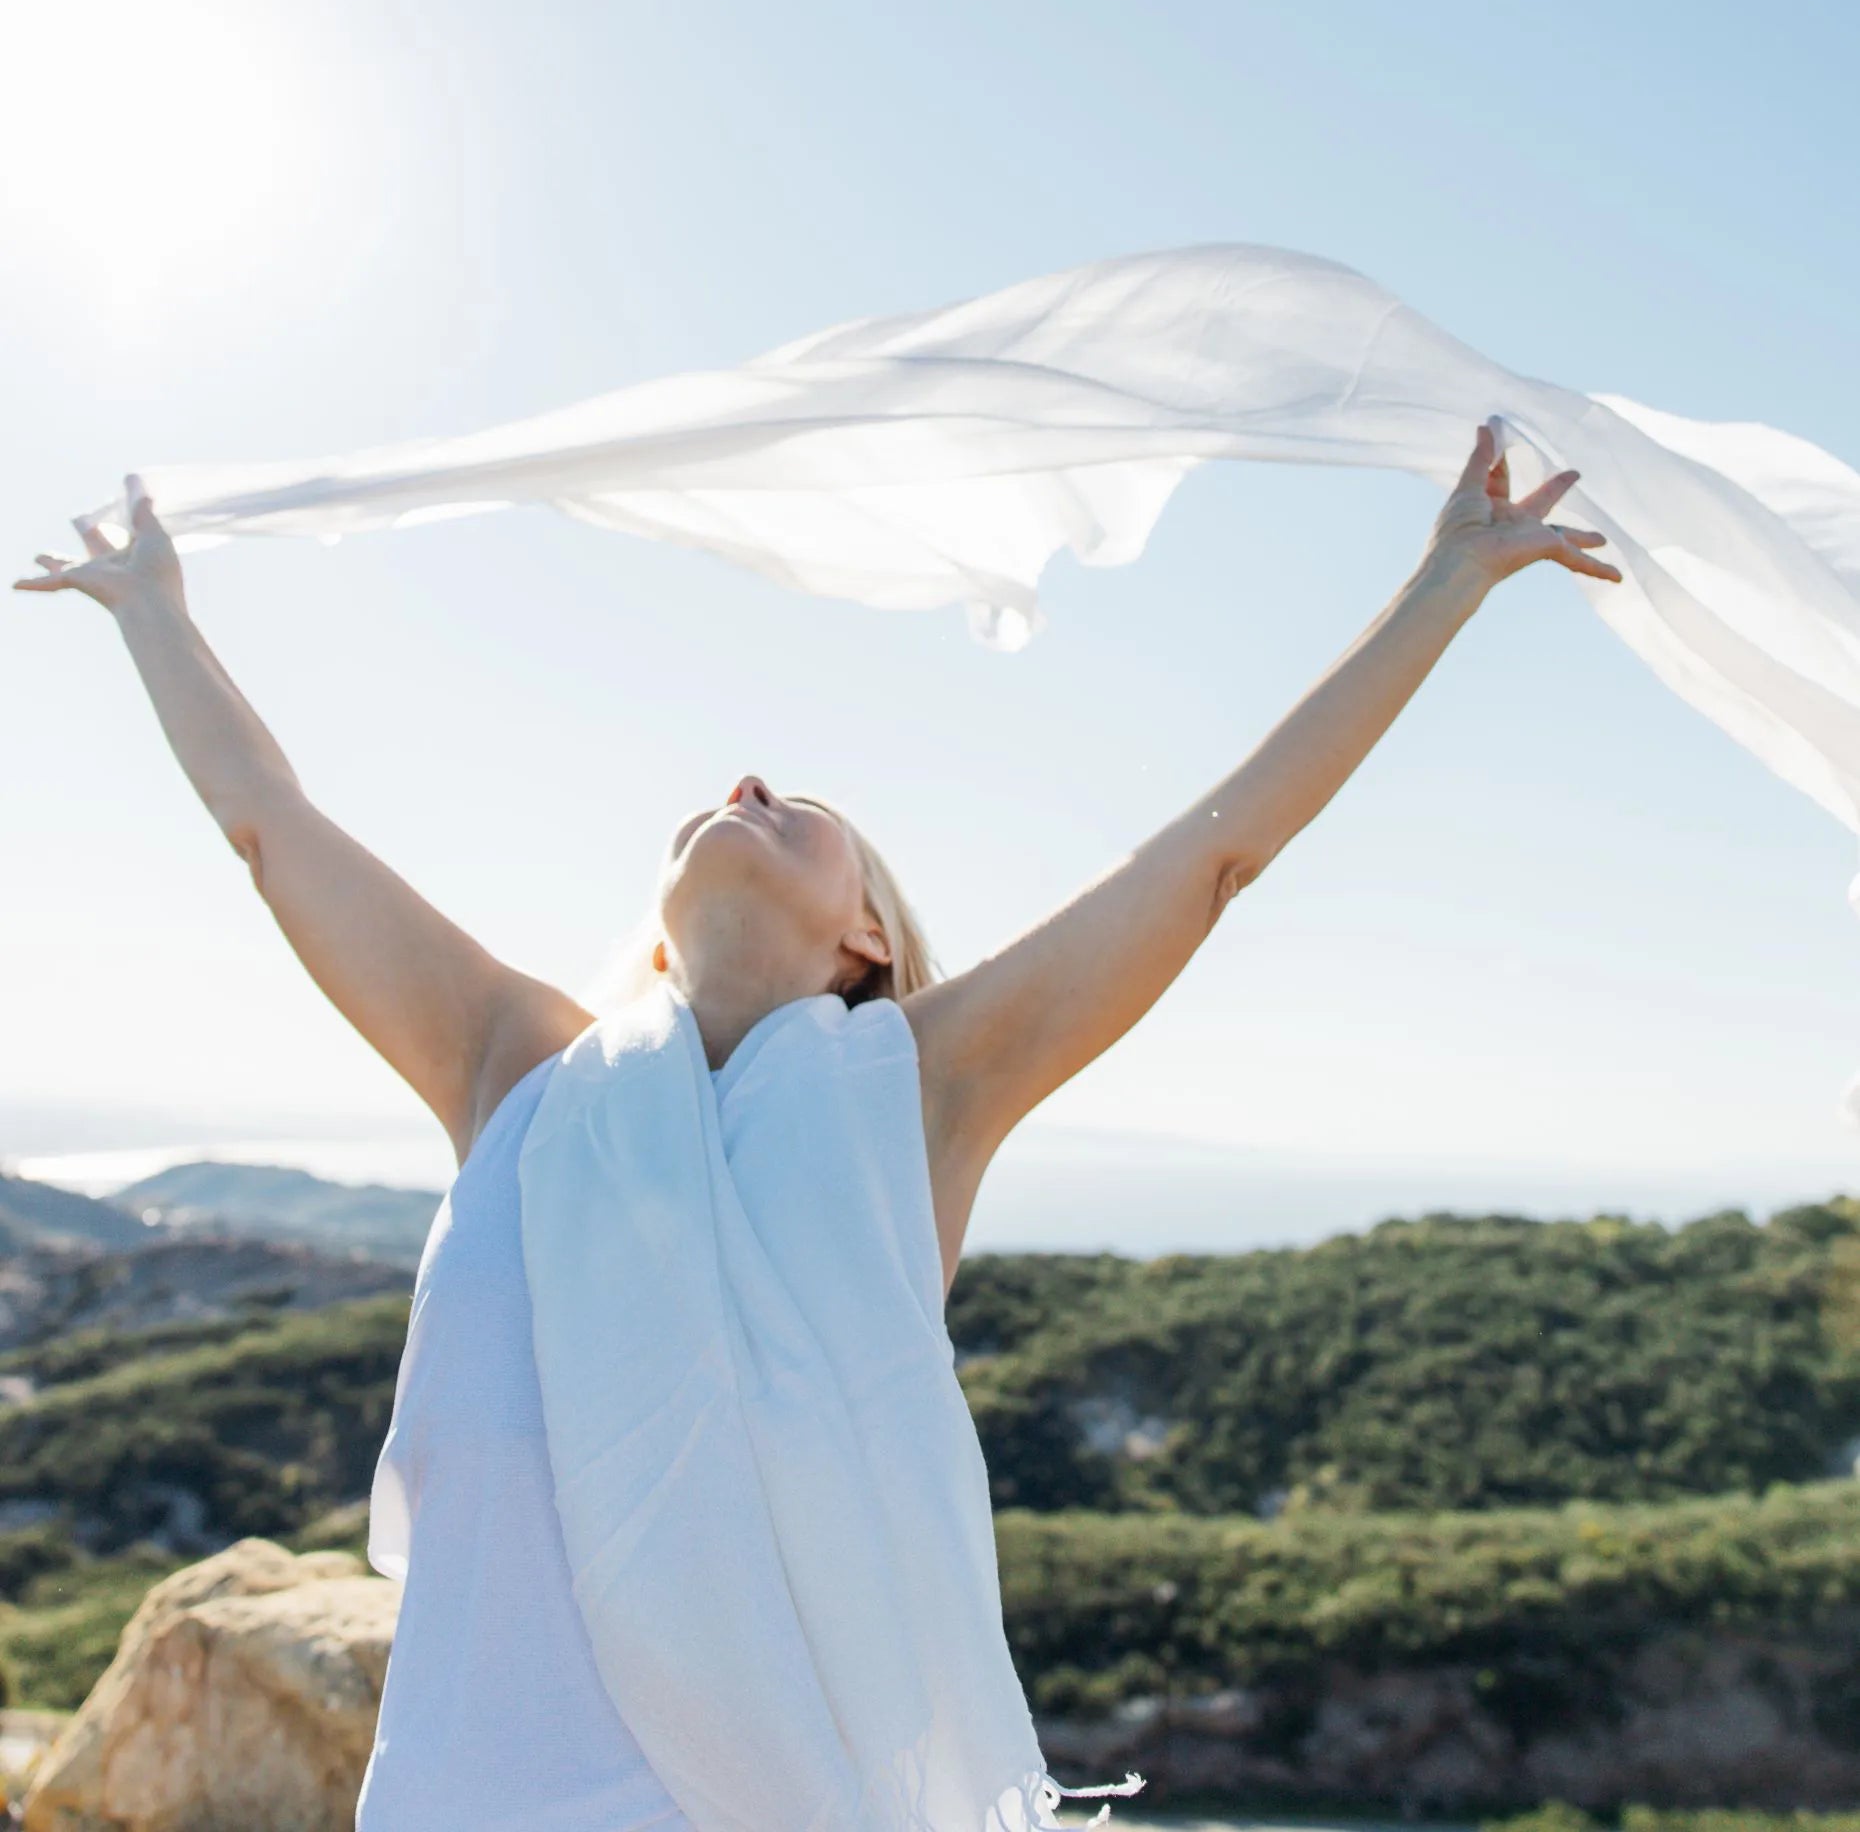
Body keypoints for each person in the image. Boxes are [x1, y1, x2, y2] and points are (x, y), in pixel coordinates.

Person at [14, 416, 1618, 1826]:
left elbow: (1206, 858)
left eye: (810, 809)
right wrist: (153, 610)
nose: (751, 776)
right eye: (724, 798)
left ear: (866, 939)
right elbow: (271, 828)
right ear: (653, 927)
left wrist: (1445, 585)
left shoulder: (919, 1095)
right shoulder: (514, 1064)